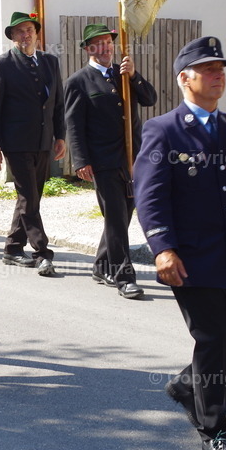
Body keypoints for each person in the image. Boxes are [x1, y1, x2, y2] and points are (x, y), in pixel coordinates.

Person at [135, 36, 226, 450]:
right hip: (193, 258)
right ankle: (215, 432)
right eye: (209, 69)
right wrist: (162, 249)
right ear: (185, 78)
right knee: (213, 339)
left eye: (222, 69)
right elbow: (150, 196)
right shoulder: (163, 129)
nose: (219, 76)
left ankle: (186, 385)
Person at [65, 24, 156, 301]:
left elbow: (149, 99)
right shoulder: (78, 81)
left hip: (132, 158)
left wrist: (134, 75)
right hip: (103, 161)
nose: (105, 48)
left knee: (123, 217)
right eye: (98, 44)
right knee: (115, 218)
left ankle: (101, 265)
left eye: (108, 43)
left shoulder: (123, 74)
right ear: (87, 49)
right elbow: (74, 125)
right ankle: (124, 276)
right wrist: (81, 160)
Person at [0, 11, 66, 276]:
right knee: (29, 197)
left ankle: (12, 247)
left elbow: (58, 103)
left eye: (29, 29)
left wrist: (61, 136)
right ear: (12, 36)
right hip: (16, 142)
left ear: (36, 32)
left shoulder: (50, 62)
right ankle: (42, 252)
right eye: (19, 31)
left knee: (30, 197)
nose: (25, 34)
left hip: (44, 140)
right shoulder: (2, 64)